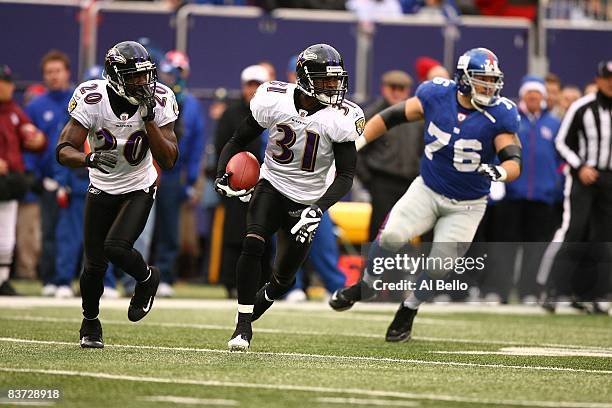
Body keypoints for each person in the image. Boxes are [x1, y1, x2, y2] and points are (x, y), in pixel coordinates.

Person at [330, 47, 522, 342]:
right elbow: (390, 117)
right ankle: (365, 286)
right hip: (428, 189)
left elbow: (512, 158)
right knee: (392, 235)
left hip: (467, 205)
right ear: (464, 79)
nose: (489, 86)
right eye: (482, 79)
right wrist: (360, 141)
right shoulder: (436, 94)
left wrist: (502, 172)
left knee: (440, 264)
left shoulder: (500, 113)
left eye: (492, 80)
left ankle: (408, 309)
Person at [215, 44, 364, 351]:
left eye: (336, 80)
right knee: (253, 242)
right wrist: (222, 175)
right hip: (272, 183)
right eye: (326, 80)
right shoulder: (274, 100)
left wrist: (319, 209)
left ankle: (270, 293)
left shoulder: (341, 117)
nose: (334, 87)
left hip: (308, 198)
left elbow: (346, 175)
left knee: (283, 279)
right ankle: (243, 325)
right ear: (306, 79)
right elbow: (237, 140)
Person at [56, 41, 179, 348]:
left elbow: (169, 159)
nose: (143, 83)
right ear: (114, 76)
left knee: (116, 247)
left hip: (139, 184)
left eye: (145, 75)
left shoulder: (161, 99)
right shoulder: (92, 97)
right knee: (93, 266)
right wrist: (87, 159)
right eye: (134, 77)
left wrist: (148, 118)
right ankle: (90, 322)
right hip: (102, 185)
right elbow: (63, 149)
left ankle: (148, 279)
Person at [539, 60, 612, 313]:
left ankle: (595, 294)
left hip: (608, 180)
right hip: (583, 177)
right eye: (608, 78)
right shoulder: (582, 107)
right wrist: (580, 166)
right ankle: (552, 291)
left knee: (603, 239)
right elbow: (561, 142)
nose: (611, 83)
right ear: (599, 79)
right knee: (574, 231)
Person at [483, 75, 561, 303]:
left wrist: (554, 186)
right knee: (504, 246)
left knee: (535, 247)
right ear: (524, 95)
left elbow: (561, 160)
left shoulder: (554, 124)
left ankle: (529, 291)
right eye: (530, 93)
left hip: (542, 197)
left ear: (543, 96)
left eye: (537, 94)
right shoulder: (511, 119)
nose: (534, 97)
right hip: (511, 194)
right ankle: (498, 291)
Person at [214, 64, 271, 299]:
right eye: (250, 85)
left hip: (268, 182)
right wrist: (228, 174)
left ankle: (264, 283)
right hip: (238, 180)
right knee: (234, 233)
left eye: (258, 85)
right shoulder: (231, 113)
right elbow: (223, 146)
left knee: (263, 233)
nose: (253, 89)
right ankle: (230, 282)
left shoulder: (275, 112)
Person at [154, 50, 205, 297]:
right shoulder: (155, 97)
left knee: (169, 227)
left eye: (178, 72)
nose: (174, 77)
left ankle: (164, 275)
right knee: (141, 226)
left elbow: (195, 147)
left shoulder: (192, 104)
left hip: (173, 172)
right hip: (148, 168)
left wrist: (192, 179)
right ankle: (134, 275)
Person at [357, 70, 423, 240]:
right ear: (384, 88)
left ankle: (399, 266)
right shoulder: (373, 114)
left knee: (404, 230)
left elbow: (423, 149)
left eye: (401, 88)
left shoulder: (416, 116)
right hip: (382, 181)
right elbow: (356, 150)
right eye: (392, 87)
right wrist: (368, 179)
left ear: (408, 91)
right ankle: (372, 266)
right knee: (379, 228)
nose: (396, 92)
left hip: (409, 182)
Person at [0, 64, 46, 295]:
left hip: (9, 180)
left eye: (8, 83)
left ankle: (2, 279)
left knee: (7, 232)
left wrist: (38, 140)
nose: (8, 87)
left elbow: (32, 136)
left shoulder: (14, 111)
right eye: (4, 82)